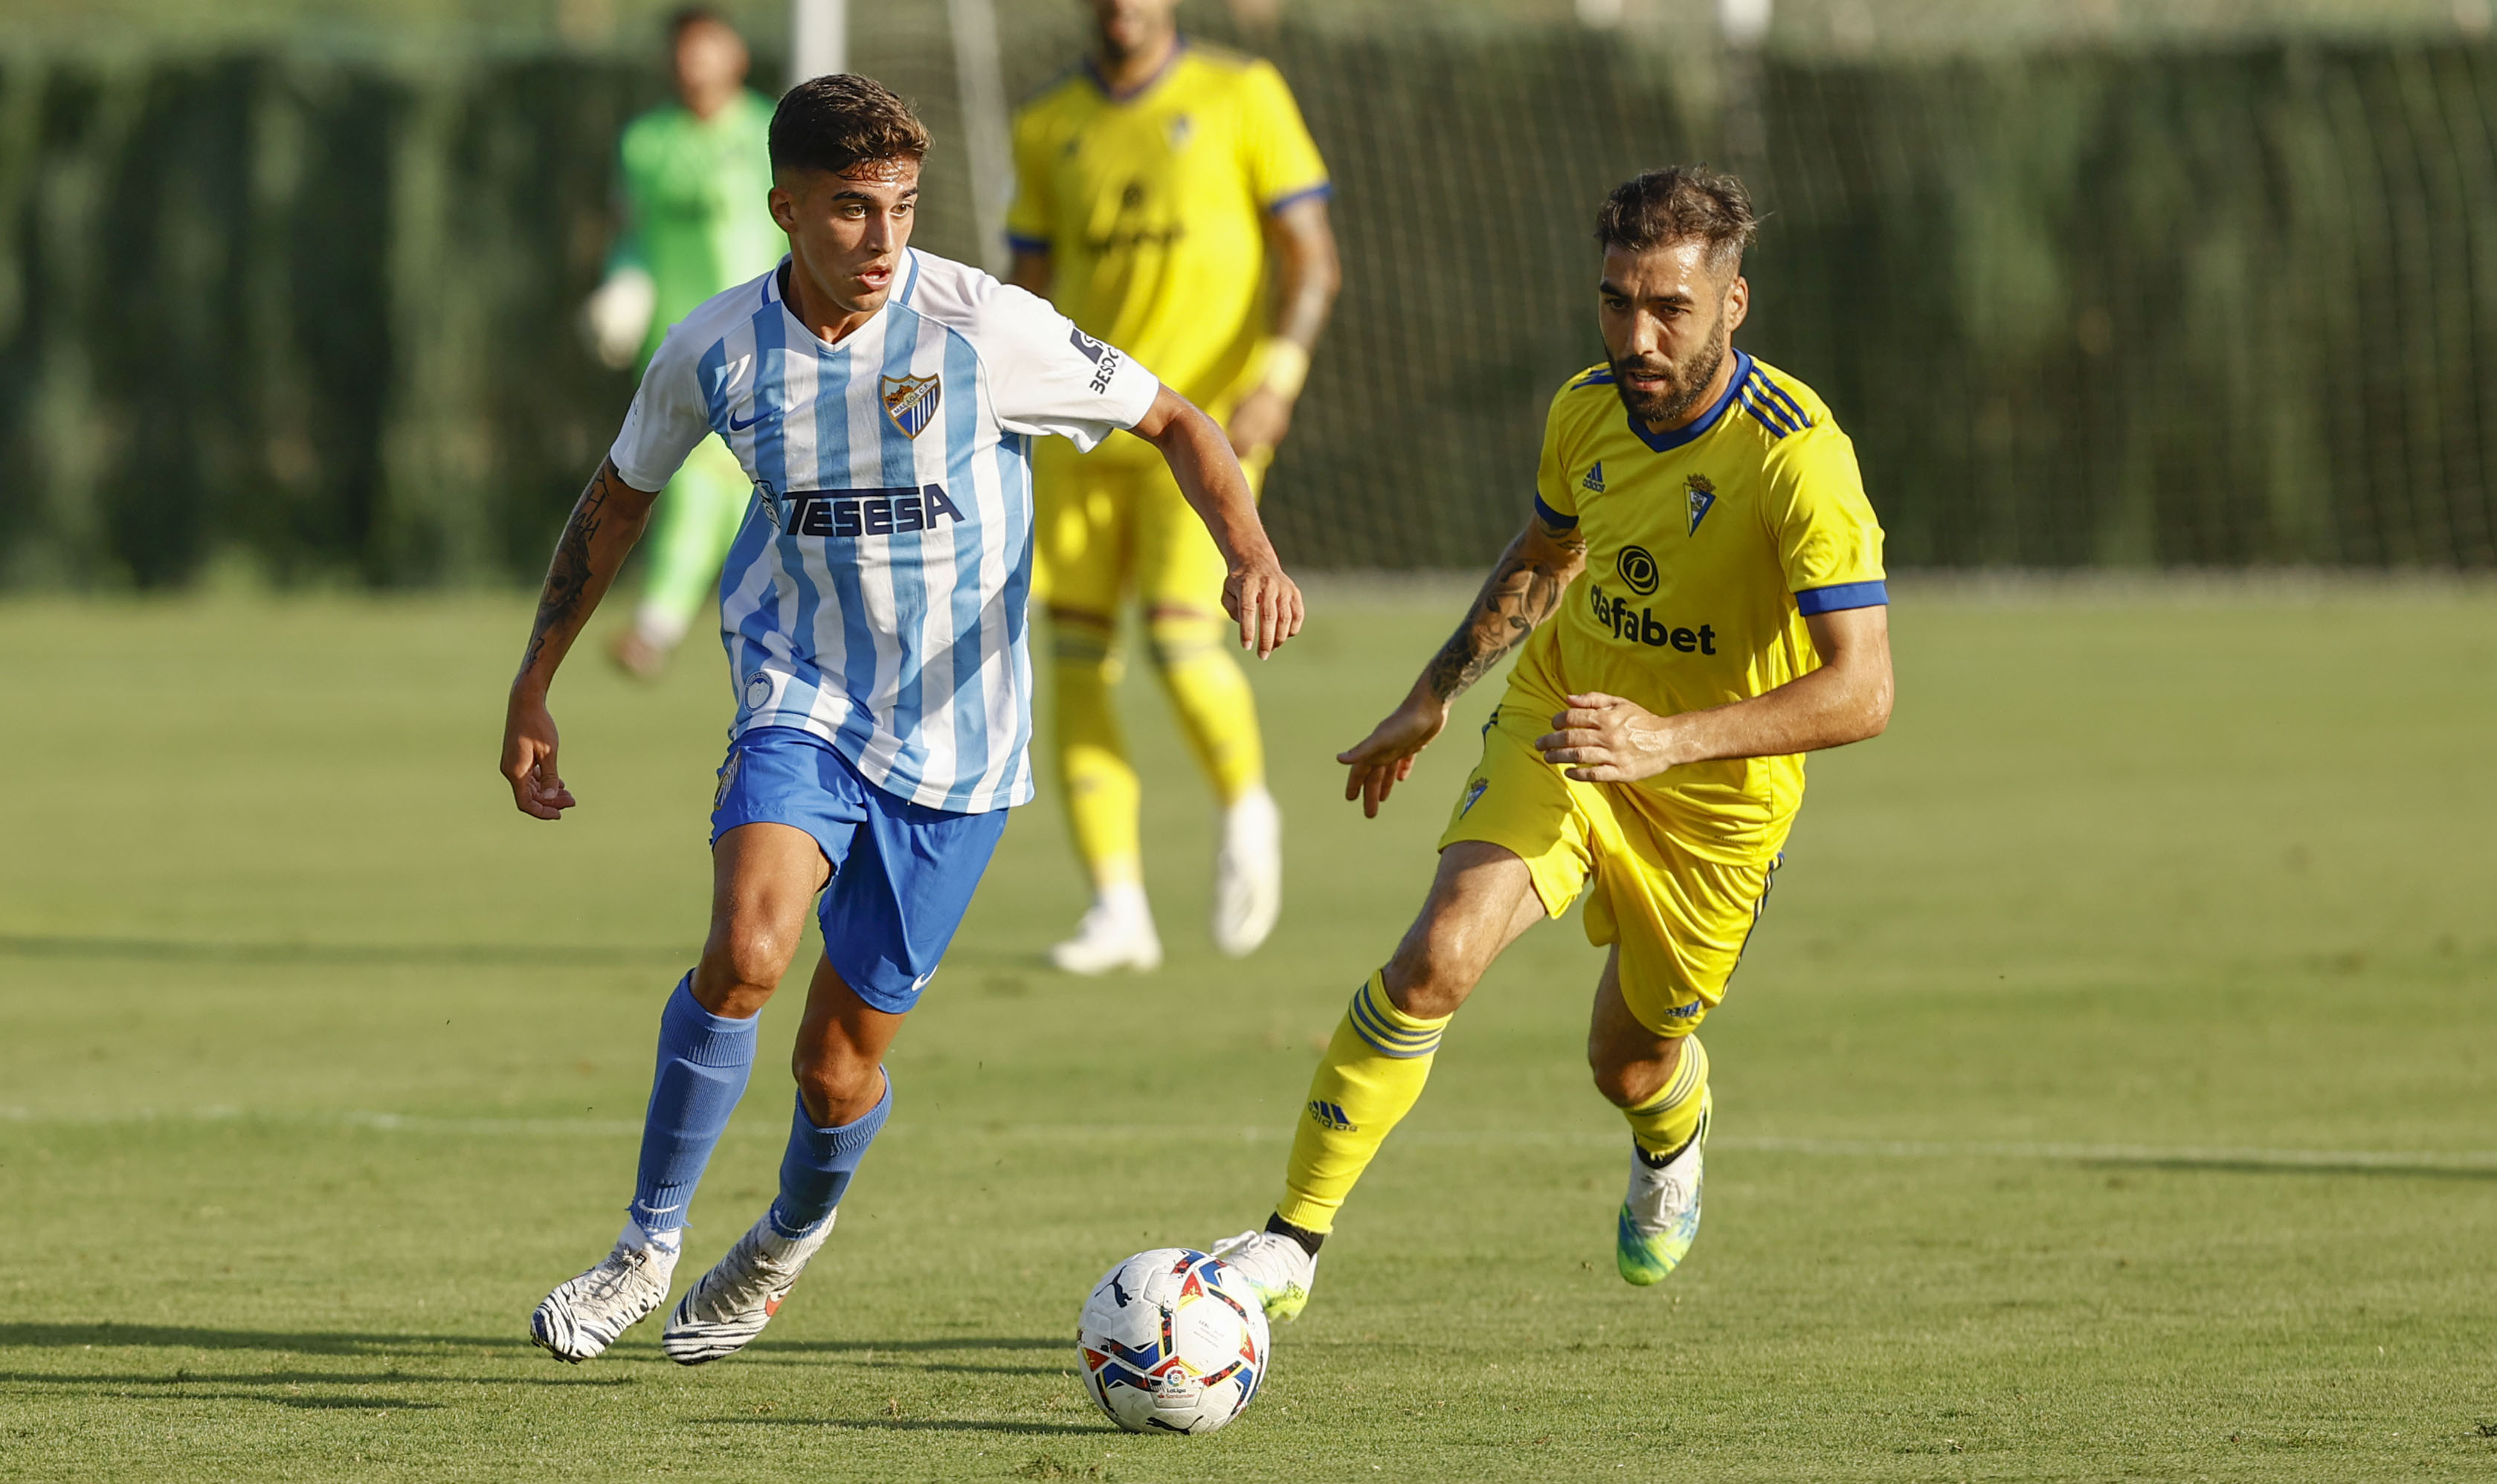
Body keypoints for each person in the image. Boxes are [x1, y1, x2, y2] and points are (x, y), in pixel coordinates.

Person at [500, 74, 1302, 1366]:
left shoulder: (980, 327)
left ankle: (780, 1241)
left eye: (901, 209)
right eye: (850, 211)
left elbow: (1175, 421)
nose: (881, 241)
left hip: (960, 743)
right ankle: (643, 1246)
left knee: (836, 1067)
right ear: (784, 209)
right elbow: (617, 501)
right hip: (799, 696)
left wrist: (1249, 550)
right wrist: (534, 682)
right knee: (748, 948)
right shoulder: (714, 349)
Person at [1208, 168, 1894, 1319]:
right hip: (1566, 725)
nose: (1637, 334)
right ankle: (1290, 1243)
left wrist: (1667, 742)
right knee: (1435, 956)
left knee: (1623, 1063)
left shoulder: (1797, 460)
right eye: (1616, 301)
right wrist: (1431, 694)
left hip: (1712, 803)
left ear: (1732, 304)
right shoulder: (1585, 407)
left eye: (1667, 308)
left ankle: (1672, 1130)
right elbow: (1545, 554)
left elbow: (1861, 692)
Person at [1005, 0, 1341, 972]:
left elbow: (1311, 259)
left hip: (1201, 431)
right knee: (1072, 659)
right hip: (1078, 434)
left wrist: (1277, 379)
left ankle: (1244, 808)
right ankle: (1117, 907)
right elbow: (1021, 290)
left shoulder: (1241, 93)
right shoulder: (1045, 124)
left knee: (1176, 633)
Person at [581, 7, 786, 680]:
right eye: (684, 51)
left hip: (763, 338)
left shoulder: (771, 133)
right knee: (711, 488)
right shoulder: (646, 143)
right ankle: (685, 625)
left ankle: (657, 627)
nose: (694, 63)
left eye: (707, 48)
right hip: (677, 345)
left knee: (715, 487)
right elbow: (633, 234)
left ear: (735, 54)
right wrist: (624, 288)